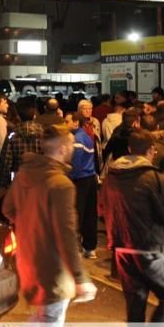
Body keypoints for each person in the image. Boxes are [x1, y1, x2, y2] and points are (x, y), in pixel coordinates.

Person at [2, 124, 97, 327]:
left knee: (43, 316)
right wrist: (80, 278)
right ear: (64, 149)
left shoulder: (24, 175)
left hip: (29, 258)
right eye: (71, 148)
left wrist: (30, 226)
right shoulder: (61, 184)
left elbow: (8, 208)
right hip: (54, 267)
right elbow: (66, 234)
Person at [101, 129, 164, 324]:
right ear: (151, 150)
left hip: (121, 246)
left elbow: (103, 207)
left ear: (129, 149)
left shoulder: (112, 176)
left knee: (135, 301)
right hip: (152, 246)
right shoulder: (154, 178)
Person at [65, 111, 99, 259]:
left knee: (77, 214)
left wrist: (69, 176)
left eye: (67, 121)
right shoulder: (87, 137)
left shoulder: (77, 140)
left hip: (80, 180)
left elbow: (76, 164)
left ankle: (74, 248)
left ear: (75, 122)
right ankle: (90, 247)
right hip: (91, 178)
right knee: (90, 215)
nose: (64, 124)